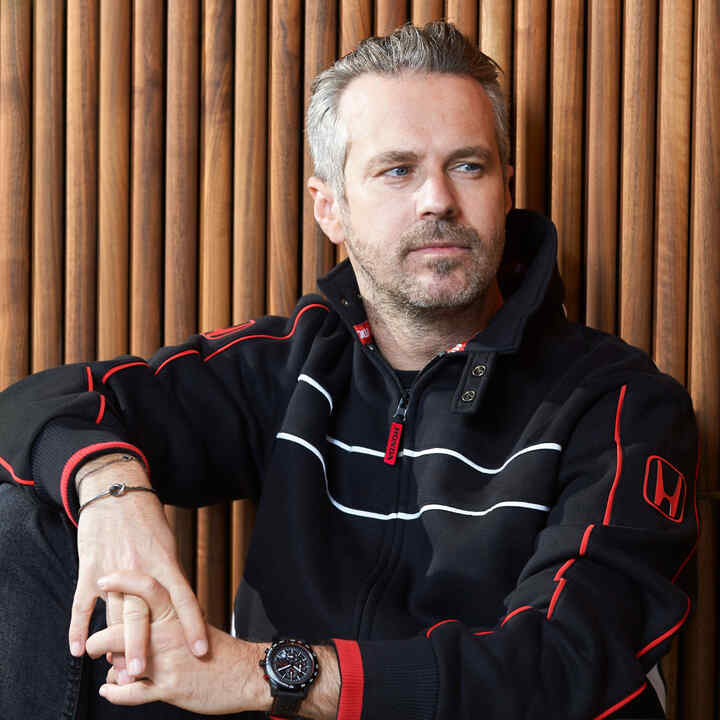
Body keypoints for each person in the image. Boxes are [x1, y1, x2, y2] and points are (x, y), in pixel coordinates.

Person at [0, 21, 698, 720]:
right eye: (398, 170)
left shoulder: (618, 404)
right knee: (17, 527)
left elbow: (567, 665)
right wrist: (113, 495)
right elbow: (36, 406)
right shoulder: (293, 363)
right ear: (328, 207)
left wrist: (268, 677)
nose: (437, 201)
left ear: (505, 187)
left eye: (469, 165)